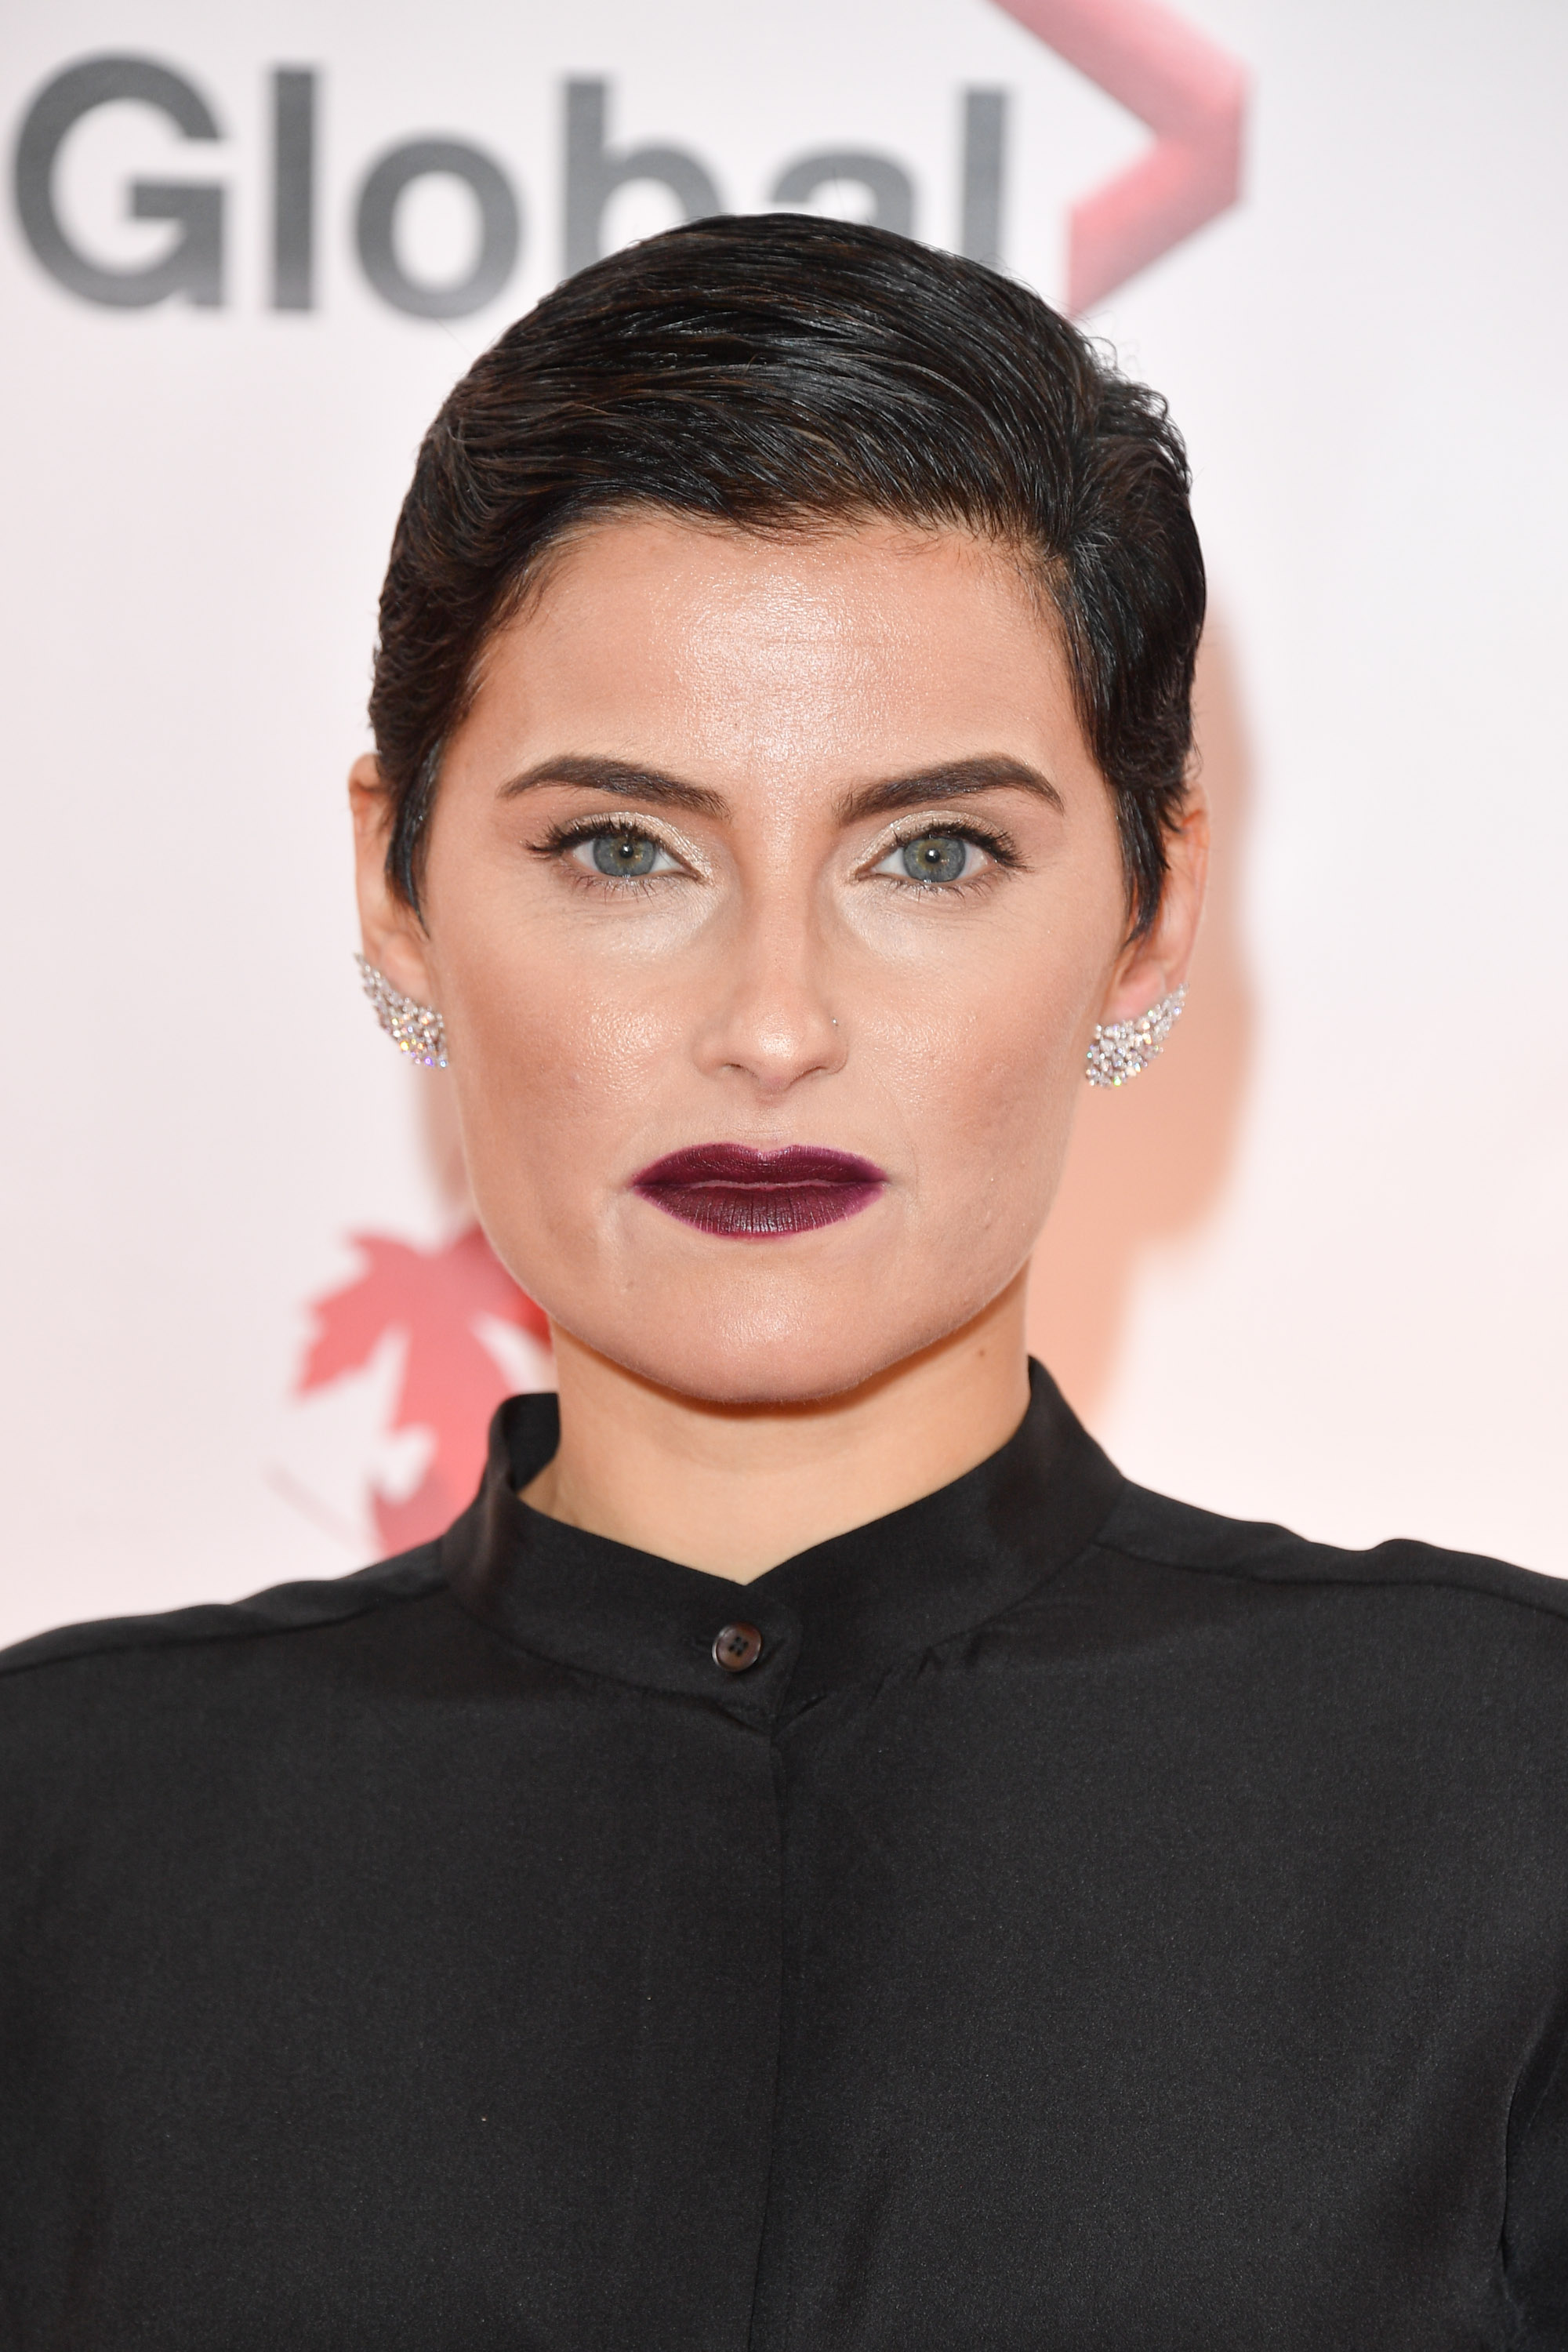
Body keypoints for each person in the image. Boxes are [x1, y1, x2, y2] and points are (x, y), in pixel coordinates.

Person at [2, 216, 1565, 2350]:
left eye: (932, 855)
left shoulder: (1507, 1804)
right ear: (396, 886)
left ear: (1150, 915)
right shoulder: (59, 1839)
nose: (769, 1026)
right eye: (620, 849)